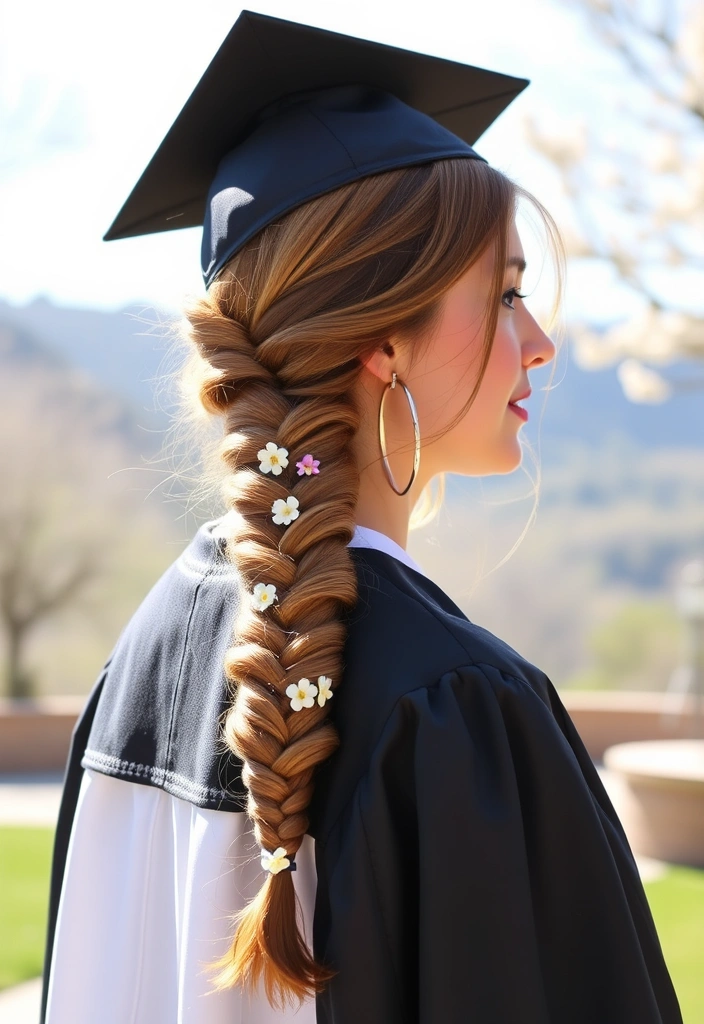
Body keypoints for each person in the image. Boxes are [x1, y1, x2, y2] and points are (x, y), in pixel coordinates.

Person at [41, 10, 684, 1024]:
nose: (542, 341)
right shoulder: (453, 703)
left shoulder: (145, 655)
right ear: (383, 339)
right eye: (506, 295)